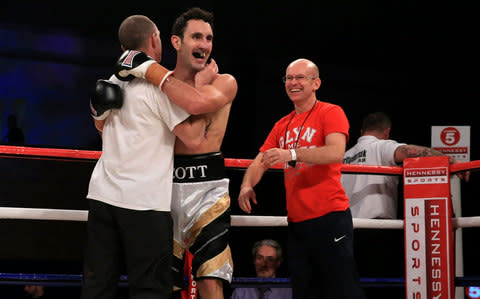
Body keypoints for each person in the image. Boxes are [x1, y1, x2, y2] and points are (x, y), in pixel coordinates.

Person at [82, 15, 211, 299]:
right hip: (144, 203)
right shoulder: (160, 87)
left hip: (103, 196)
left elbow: (100, 125)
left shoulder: (114, 80)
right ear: (154, 39)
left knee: (97, 286)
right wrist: (204, 100)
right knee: (150, 289)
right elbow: (192, 137)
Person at [114, 8, 238, 299]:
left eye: (208, 38)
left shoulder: (225, 82)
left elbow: (196, 106)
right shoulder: (159, 86)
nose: (204, 44)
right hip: (161, 188)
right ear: (176, 42)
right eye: (196, 36)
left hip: (208, 190)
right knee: (162, 284)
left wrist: (200, 82)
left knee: (211, 278)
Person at [238, 58, 365, 299]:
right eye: (289, 78)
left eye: (300, 78)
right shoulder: (282, 125)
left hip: (330, 217)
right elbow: (260, 159)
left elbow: (335, 151)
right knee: (305, 292)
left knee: (344, 290)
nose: (293, 83)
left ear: (316, 83)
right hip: (298, 224)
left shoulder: (331, 112)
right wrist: (246, 185)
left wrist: (292, 153)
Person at [341, 111, 469, 219]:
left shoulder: (344, 156)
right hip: (377, 225)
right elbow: (409, 151)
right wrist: (451, 160)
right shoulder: (380, 146)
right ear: (387, 132)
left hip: (348, 226)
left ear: (362, 131)